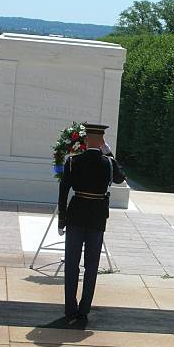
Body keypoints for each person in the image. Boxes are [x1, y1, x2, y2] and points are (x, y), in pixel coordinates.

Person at [58, 123, 126, 322]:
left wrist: (61, 220)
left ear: (86, 140)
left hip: (76, 214)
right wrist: (109, 152)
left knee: (72, 264)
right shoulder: (108, 162)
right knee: (92, 265)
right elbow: (121, 178)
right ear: (102, 140)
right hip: (97, 216)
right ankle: (84, 309)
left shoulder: (73, 162)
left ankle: (70, 309)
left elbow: (63, 193)